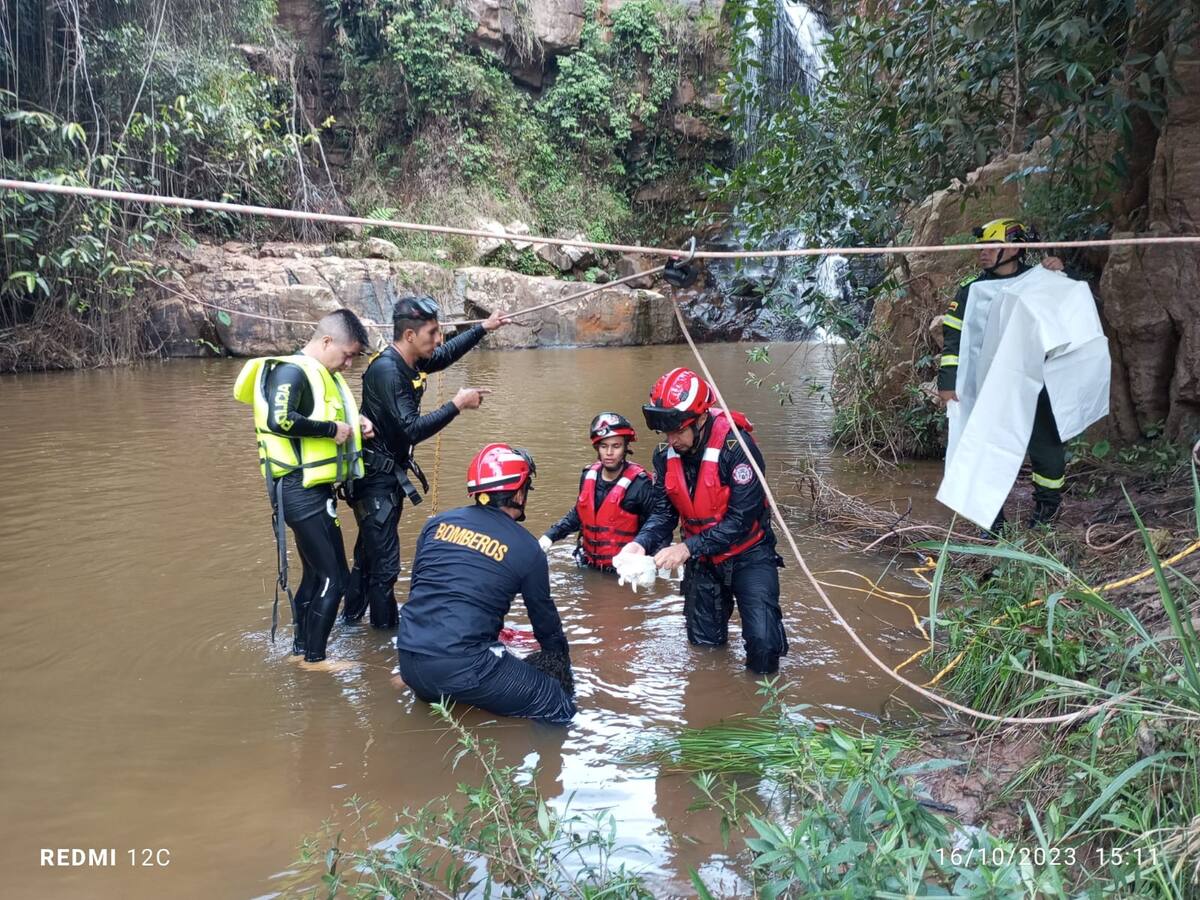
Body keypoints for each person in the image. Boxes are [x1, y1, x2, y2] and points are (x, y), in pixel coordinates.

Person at [344, 295, 511, 629]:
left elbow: (443, 356)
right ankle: (384, 641)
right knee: (385, 569)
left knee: (367, 560)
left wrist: (482, 328)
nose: (438, 340)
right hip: (376, 483)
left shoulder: (409, 360)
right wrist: (457, 403)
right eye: (432, 333)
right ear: (409, 336)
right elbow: (411, 431)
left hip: (384, 477)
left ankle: (349, 624)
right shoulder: (388, 371)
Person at [622, 368, 788, 675]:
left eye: (678, 431)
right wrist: (639, 543)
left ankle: (762, 712)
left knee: (765, 647)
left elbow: (741, 519)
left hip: (749, 554)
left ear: (700, 420)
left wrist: (685, 549)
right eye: (665, 433)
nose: (671, 441)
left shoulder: (737, 449)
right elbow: (664, 511)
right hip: (704, 560)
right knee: (703, 651)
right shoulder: (665, 455)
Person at [396, 443, 576, 725]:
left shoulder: (436, 525)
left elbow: (421, 594)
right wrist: (562, 665)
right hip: (464, 668)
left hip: (408, 662)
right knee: (555, 702)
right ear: (519, 493)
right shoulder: (527, 549)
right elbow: (545, 624)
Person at [233, 309, 375, 664]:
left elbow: (315, 415)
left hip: (311, 490)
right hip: (299, 490)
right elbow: (280, 419)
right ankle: (316, 660)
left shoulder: (315, 375)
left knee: (315, 575)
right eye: (347, 355)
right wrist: (332, 430)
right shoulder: (291, 370)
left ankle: (300, 651)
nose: (347, 365)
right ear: (327, 342)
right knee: (336, 578)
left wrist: (353, 424)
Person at [937, 218, 1066, 530]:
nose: (984, 252)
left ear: (1016, 248)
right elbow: (954, 338)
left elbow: (1069, 312)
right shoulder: (971, 290)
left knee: (1046, 445)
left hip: (1034, 381)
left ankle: (1046, 513)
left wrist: (1061, 273)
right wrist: (947, 382)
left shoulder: (1041, 279)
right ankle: (992, 523)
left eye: (993, 246)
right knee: (982, 446)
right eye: (982, 246)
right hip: (987, 386)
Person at [539, 412, 656, 570]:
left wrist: (650, 564)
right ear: (597, 448)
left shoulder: (641, 484)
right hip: (587, 564)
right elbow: (579, 514)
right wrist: (549, 536)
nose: (609, 453)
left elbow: (656, 528)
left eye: (616, 446)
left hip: (624, 571)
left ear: (626, 448)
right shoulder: (588, 476)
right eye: (604, 446)